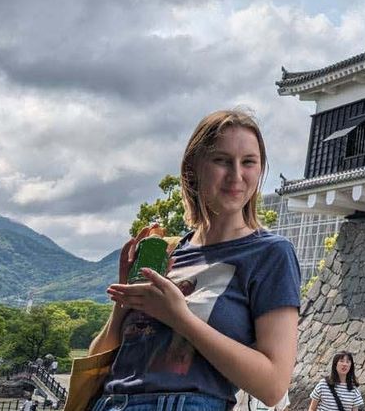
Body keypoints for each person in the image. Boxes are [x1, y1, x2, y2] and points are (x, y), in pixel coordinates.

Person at [88, 109, 301, 411]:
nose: (236, 175)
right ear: (194, 168)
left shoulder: (270, 254)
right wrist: (124, 302)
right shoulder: (168, 252)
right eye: (221, 160)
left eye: (248, 162)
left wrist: (180, 318)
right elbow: (105, 361)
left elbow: (273, 385)